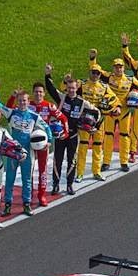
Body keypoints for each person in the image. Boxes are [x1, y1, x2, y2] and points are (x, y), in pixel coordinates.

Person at [0, 84, 43, 217]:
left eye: (24, 100)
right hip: (12, 152)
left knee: (27, 179)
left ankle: (26, 204)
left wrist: (48, 141)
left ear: (28, 101)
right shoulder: (11, 113)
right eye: (20, 100)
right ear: (17, 101)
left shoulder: (34, 116)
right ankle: (7, 205)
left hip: (28, 153)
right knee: (9, 179)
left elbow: (46, 128)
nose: (22, 103)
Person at [43, 64, 87, 192]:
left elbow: (96, 112)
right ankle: (56, 185)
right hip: (61, 135)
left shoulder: (82, 102)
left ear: (77, 88)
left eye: (73, 88)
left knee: (71, 161)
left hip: (73, 135)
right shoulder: (62, 97)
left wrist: (95, 125)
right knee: (57, 160)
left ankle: (69, 184)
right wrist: (47, 74)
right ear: (66, 88)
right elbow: (51, 89)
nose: (71, 90)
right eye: (69, 88)